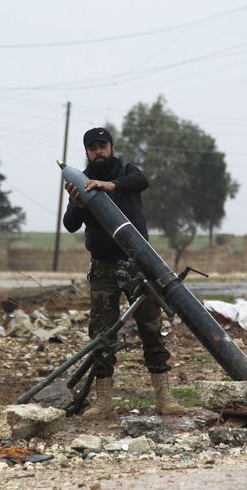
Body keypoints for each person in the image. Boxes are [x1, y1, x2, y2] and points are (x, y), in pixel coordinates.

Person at [62, 127, 184, 419]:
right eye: (93, 148)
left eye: (103, 146)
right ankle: (104, 401)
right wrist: (79, 204)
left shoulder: (125, 171)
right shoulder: (82, 182)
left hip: (137, 265)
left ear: (112, 148)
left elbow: (141, 181)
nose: (98, 152)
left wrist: (110, 185)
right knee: (102, 333)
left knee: (151, 329)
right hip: (103, 268)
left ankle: (164, 397)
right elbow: (69, 224)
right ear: (87, 152)